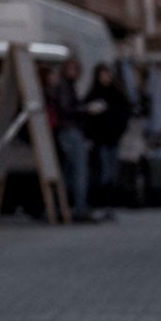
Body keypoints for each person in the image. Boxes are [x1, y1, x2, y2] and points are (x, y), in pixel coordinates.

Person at [83, 62, 131, 211]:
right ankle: (102, 203)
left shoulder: (116, 94)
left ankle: (109, 203)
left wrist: (119, 129)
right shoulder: (93, 94)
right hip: (100, 139)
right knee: (104, 172)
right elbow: (87, 116)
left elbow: (125, 112)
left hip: (113, 138)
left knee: (112, 172)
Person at [49, 58, 92, 220]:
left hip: (68, 131)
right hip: (70, 131)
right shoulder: (65, 86)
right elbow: (67, 109)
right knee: (79, 171)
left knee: (68, 171)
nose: (75, 73)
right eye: (72, 69)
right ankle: (79, 207)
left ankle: (60, 205)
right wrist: (85, 109)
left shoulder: (68, 86)